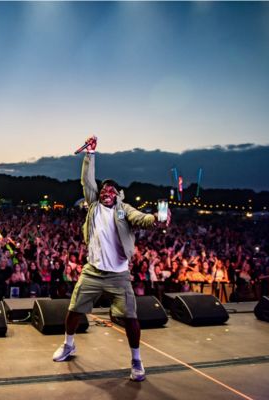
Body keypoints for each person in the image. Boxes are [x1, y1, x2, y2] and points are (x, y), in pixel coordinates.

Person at [52, 136, 170, 383]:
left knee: (130, 318)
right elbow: (87, 180)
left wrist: (157, 219)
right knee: (73, 310)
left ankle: (136, 360)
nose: (106, 192)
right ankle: (68, 344)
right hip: (92, 272)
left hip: (118, 275)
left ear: (117, 194)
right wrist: (91, 155)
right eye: (103, 189)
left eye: (111, 190)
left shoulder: (123, 209)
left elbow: (141, 218)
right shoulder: (93, 204)